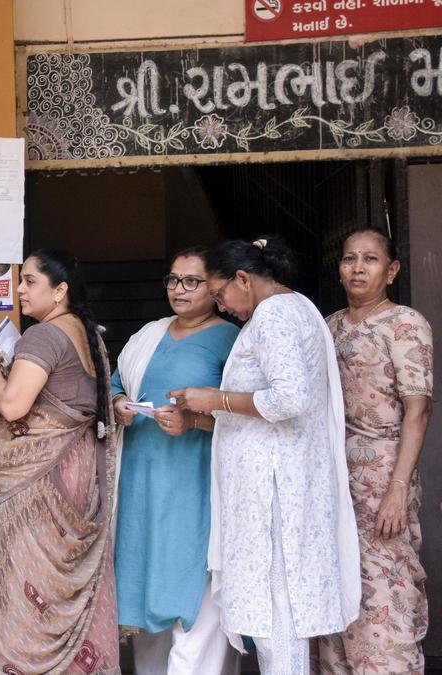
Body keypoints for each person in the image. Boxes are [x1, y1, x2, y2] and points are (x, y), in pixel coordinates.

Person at [169, 237, 359, 675]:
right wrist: (205, 411)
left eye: (219, 294)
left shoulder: (274, 315)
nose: (221, 305)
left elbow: (290, 399)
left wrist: (216, 398)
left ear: (243, 278)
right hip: (281, 481)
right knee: (279, 611)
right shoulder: (294, 308)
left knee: (279, 611)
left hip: (275, 491)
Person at [0, 249, 119, 675]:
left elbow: (13, 404)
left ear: (60, 291)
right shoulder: (88, 334)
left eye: (31, 281)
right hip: (75, 477)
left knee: (25, 594)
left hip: (37, 483)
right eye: (20, 280)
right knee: (60, 589)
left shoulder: (42, 336)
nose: (20, 288)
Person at [110, 247, 240, 675]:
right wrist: (119, 402)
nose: (178, 289)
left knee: (193, 575)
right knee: (144, 583)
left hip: (195, 479)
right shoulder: (149, 333)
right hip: (141, 478)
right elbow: (115, 380)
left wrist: (195, 422)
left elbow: (248, 412)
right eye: (172, 279)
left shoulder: (231, 338)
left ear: (215, 287)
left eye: (191, 281)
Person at [316, 229, 433, 673]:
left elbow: (417, 410)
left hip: (384, 474)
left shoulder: (405, 323)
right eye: (349, 259)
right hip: (334, 476)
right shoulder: (331, 326)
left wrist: (398, 489)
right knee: (340, 584)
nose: (358, 268)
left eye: (370, 259)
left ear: (392, 270)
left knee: (386, 584)